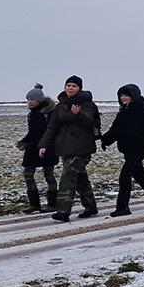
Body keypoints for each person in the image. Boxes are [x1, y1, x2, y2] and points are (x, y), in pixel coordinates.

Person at [37, 75, 102, 223]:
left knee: (67, 177)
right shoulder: (60, 105)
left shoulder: (87, 104)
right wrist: (43, 144)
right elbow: (52, 127)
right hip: (65, 147)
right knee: (80, 179)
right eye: (68, 85)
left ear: (80, 88)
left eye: (73, 86)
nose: (70, 88)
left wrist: (78, 114)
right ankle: (91, 207)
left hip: (82, 147)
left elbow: (90, 121)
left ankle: (62, 211)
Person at [100, 83, 144, 217]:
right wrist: (105, 140)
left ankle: (122, 207)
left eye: (126, 95)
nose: (123, 98)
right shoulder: (123, 112)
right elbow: (115, 130)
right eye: (121, 95)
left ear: (134, 96)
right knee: (139, 175)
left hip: (138, 149)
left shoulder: (143, 112)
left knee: (125, 176)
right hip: (127, 149)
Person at [16, 84, 59, 214]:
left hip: (48, 148)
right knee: (28, 175)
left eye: (32, 100)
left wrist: (44, 145)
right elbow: (32, 133)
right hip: (33, 149)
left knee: (49, 175)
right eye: (28, 99)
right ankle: (34, 204)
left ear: (39, 100)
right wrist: (23, 142)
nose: (29, 102)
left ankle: (52, 204)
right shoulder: (31, 115)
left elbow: (49, 132)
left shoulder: (49, 113)